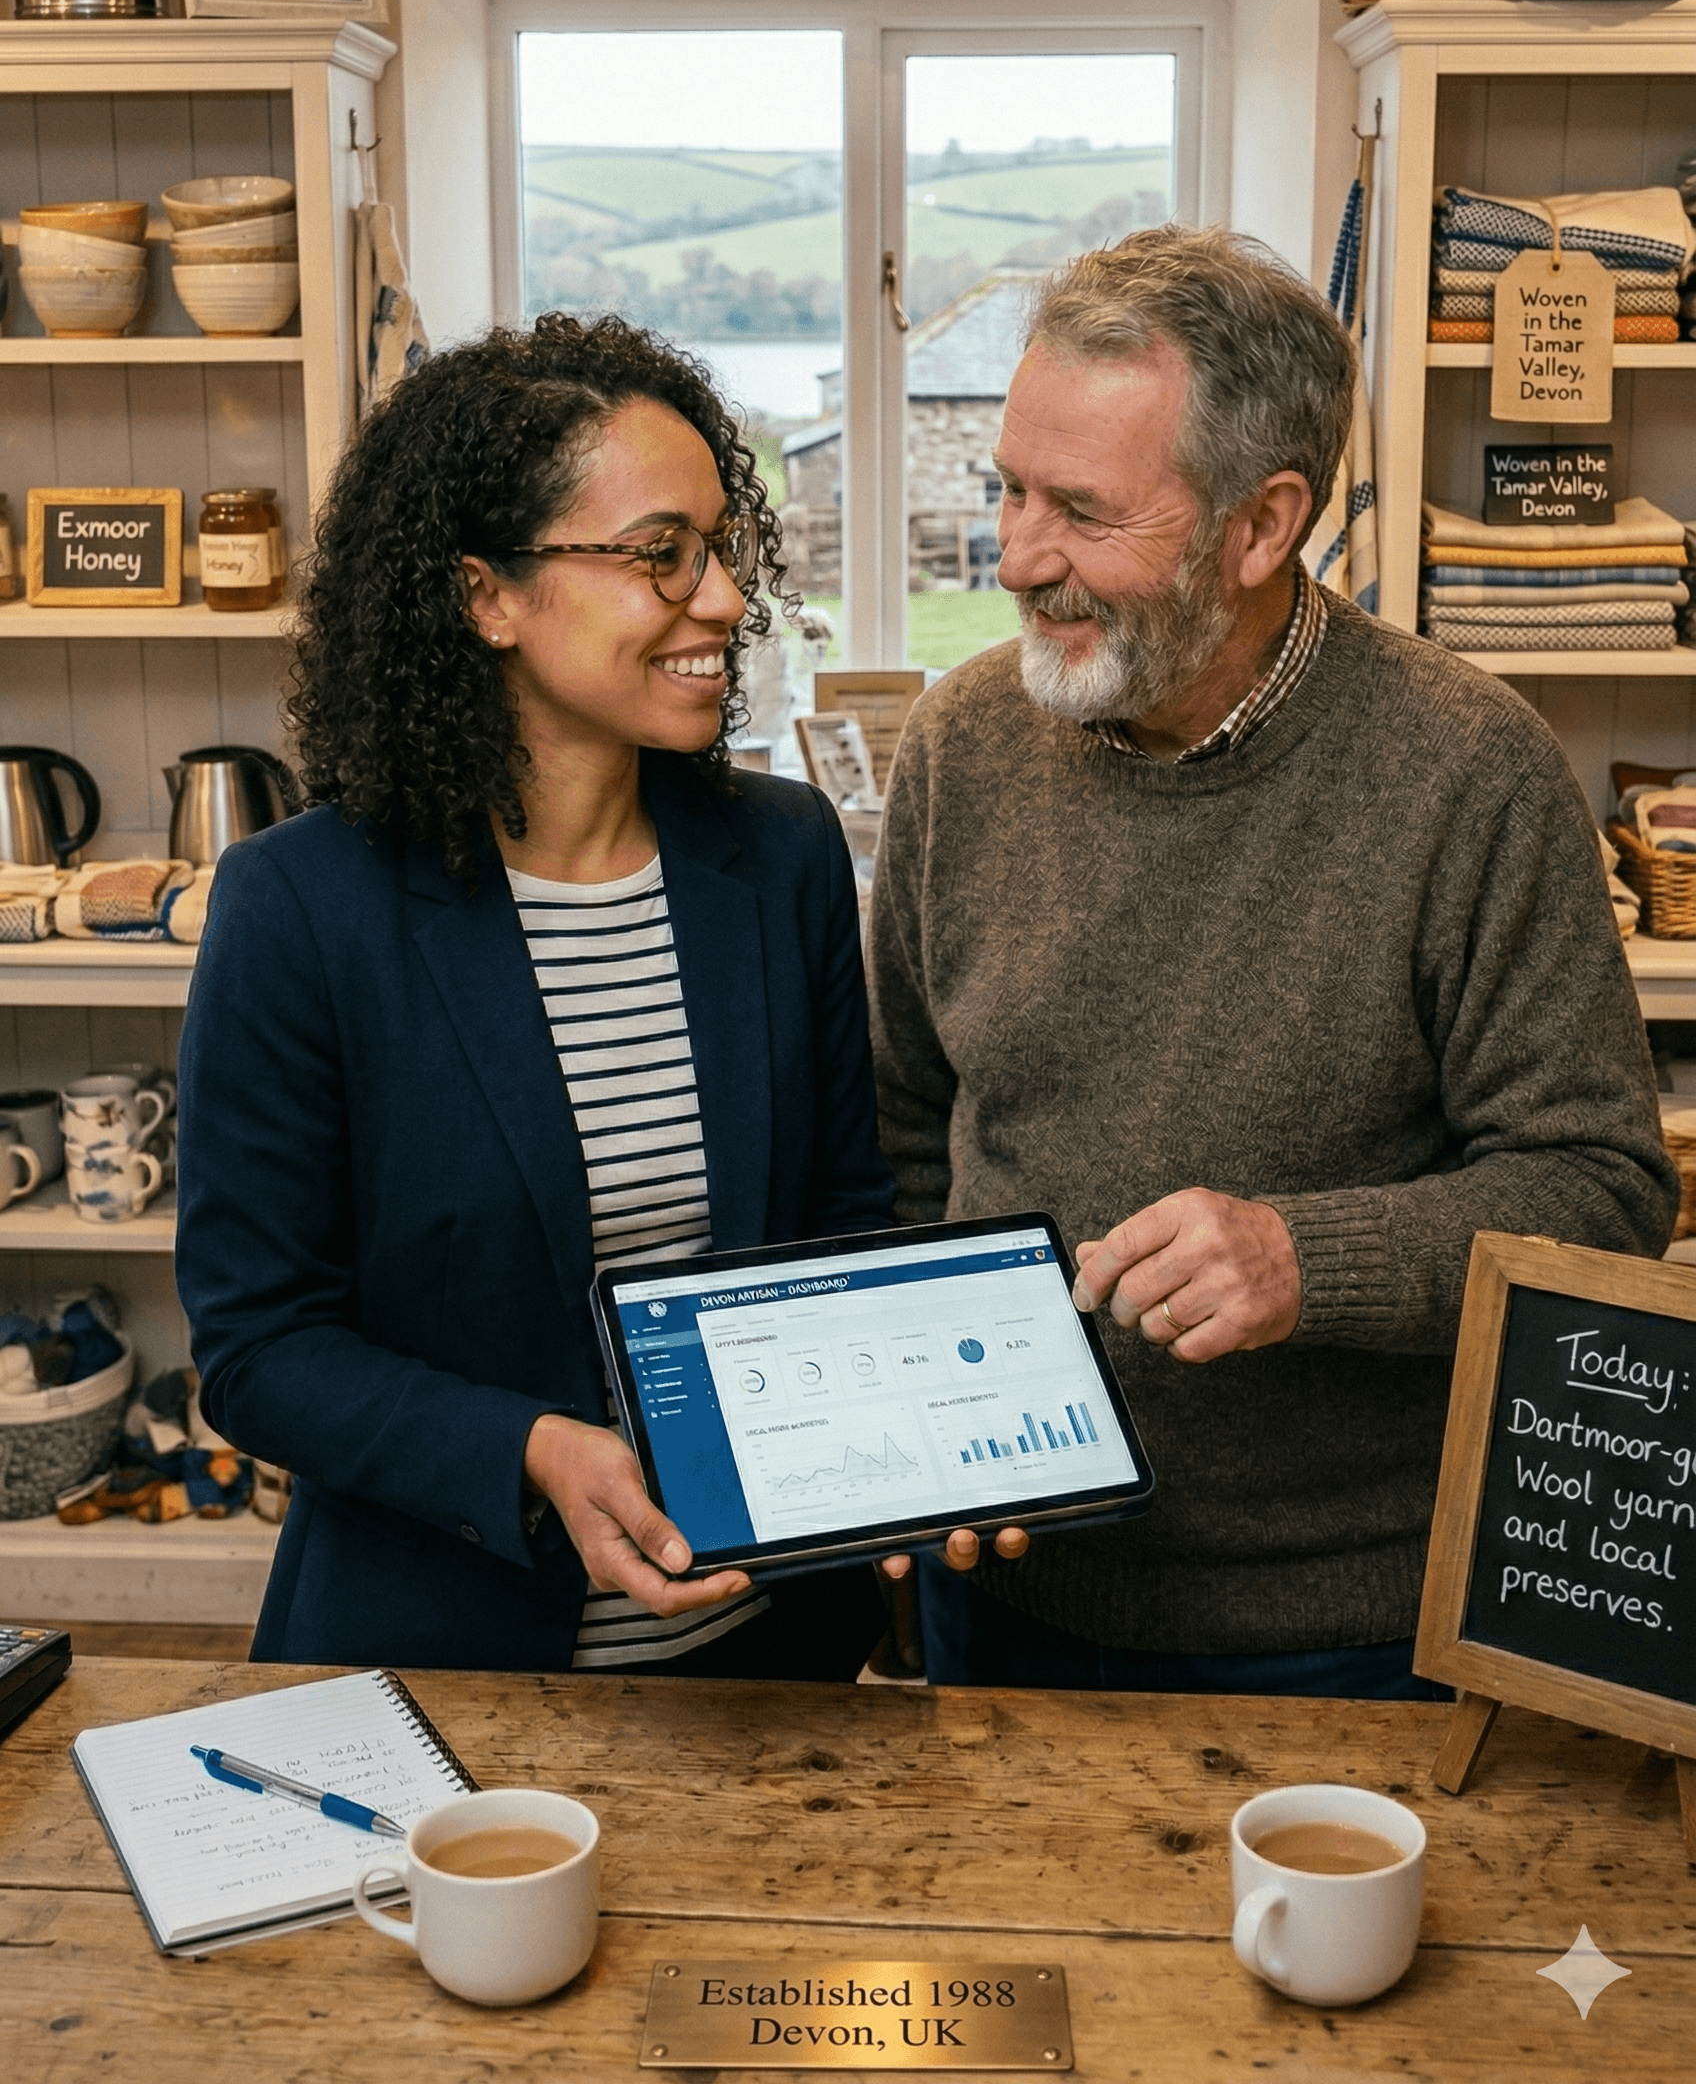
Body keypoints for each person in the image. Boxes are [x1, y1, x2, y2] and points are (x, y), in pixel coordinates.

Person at [870, 224, 1676, 1697]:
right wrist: (934, 1434)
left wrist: (1312, 1258)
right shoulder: (962, 745)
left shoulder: (1468, 770)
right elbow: (912, 1135)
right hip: (1014, 1604)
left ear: (1260, 525)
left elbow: (1602, 1186)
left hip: (1350, 1631)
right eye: (1009, 487)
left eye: (1082, 511)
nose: (1018, 556)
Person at [176, 314, 894, 1675]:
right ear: (485, 596)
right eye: (658, 556)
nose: (727, 602)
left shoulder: (785, 858)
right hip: (446, 1672)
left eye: (722, 549)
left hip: (771, 1661)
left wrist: (933, 1456)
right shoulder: (302, 910)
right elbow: (262, 1347)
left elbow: (840, 1228)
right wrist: (531, 1448)